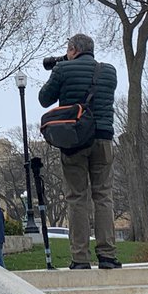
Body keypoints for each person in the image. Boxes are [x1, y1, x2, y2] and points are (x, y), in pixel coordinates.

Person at [38, 32, 120, 270]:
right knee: (103, 196)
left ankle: (81, 258)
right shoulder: (109, 71)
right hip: (103, 138)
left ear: (73, 49)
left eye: (68, 49)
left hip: (74, 140)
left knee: (77, 197)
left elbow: (44, 99)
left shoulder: (62, 69)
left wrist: (61, 67)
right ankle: (107, 255)